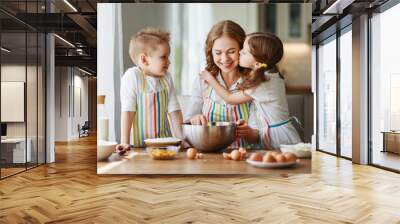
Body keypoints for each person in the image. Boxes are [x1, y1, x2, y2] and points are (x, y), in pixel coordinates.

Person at [199, 32, 301, 149]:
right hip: (275, 134)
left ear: (257, 62)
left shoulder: (264, 83)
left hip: (280, 138)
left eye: (245, 51)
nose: (240, 52)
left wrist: (210, 80)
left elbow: (230, 99)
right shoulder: (269, 76)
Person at [185, 20, 261, 148]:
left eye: (231, 51)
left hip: (243, 157)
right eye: (218, 53)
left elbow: (257, 136)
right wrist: (194, 119)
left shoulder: (253, 82)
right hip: (209, 157)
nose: (225, 59)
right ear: (211, 52)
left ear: (242, 50)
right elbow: (188, 121)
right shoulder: (202, 81)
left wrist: (247, 132)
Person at [116, 27, 184, 153]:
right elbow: (128, 112)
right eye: (163, 57)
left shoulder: (166, 78)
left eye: (168, 57)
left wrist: (182, 139)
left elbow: (174, 111)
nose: (168, 62)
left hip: (165, 145)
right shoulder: (133, 77)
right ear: (144, 59)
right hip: (138, 147)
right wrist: (124, 142)